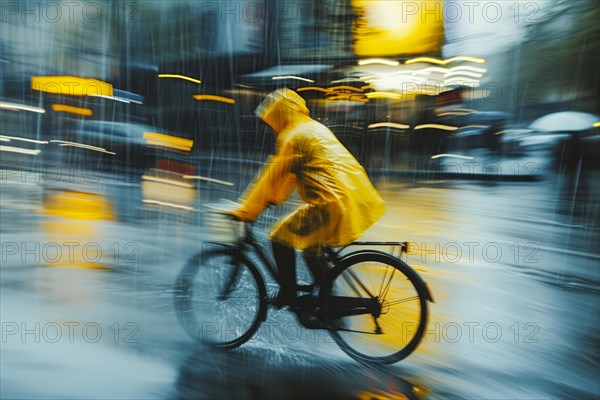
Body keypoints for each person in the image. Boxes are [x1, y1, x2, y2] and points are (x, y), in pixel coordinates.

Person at [230, 88, 385, 308]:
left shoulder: (292, 137)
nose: (271, 126)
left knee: (280, 237)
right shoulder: (312, 128)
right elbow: (288, 176)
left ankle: (290, 293)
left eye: (272, 119)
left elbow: (271, 178)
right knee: (311, 246)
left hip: (330, 202)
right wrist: (273, 198)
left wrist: (246, 211)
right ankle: (326, 296)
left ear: (279, 115)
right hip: (353, 195)